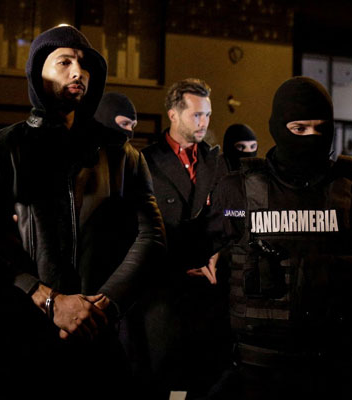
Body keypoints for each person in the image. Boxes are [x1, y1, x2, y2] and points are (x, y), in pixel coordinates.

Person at [0, 25, 165, 400]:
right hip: (19, 343)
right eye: (64, 62)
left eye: (84, 64)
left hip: (98, 340)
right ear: (37, 72)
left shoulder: (122, 155)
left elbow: (151, 236)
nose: (77, 72)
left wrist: (102, 305)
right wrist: (45, 297)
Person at [206, 76, 352, 399]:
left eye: (320, 128)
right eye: (299, 128)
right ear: (277, 127)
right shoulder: (236, 191)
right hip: (255, 373)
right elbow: (192, 258)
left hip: (332, 372)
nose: (311, 137)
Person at [135, 78, 230, 399]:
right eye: (197, 115)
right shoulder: (145, 162)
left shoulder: (216, 162)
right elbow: (141, 229)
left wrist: (218, 254)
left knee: (205, 381)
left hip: (208, 291)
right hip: (163, 293)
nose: (204, 122)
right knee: (164, 381)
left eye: (208, 115)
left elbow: (225, 218)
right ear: (173, 114)